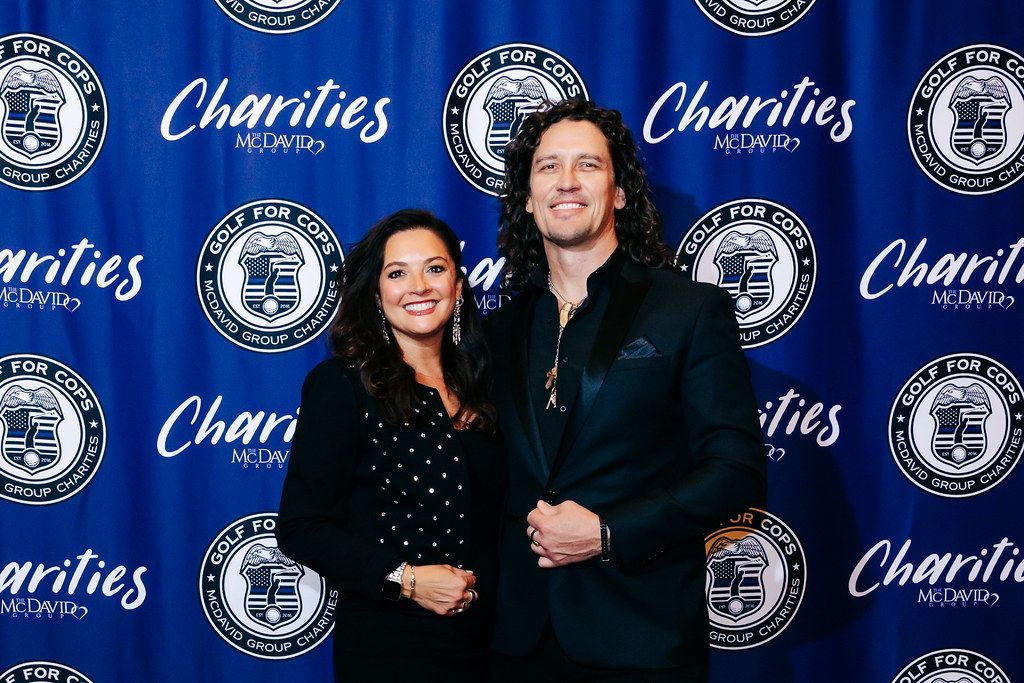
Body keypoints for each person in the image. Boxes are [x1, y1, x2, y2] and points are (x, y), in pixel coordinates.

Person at [485, 99, 767, 681]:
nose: (566, 181)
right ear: (528, 196)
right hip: (517, 640)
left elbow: (735, 469)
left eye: (587, 165)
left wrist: (609, 532)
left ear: (618, 192)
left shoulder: (688, 309)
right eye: (548, 167)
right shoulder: (498, 328)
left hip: (641, 634)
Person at [276, 209, 505, 681]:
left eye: (435, 268)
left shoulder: (487, 383)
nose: (419, 285)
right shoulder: (342, 386)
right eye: (397, 273)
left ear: (458, 287)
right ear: (377, 295)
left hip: (495, 646)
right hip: (391, 648)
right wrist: (409, 580)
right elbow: (302, 526)